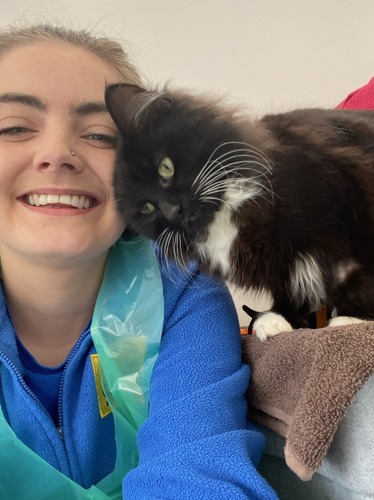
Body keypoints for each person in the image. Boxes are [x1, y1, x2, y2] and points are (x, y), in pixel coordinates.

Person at [0, 23, 277, 499]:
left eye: (101, 135)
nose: (57, 154)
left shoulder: (184, 294)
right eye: (14, 127)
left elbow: (199, 473)